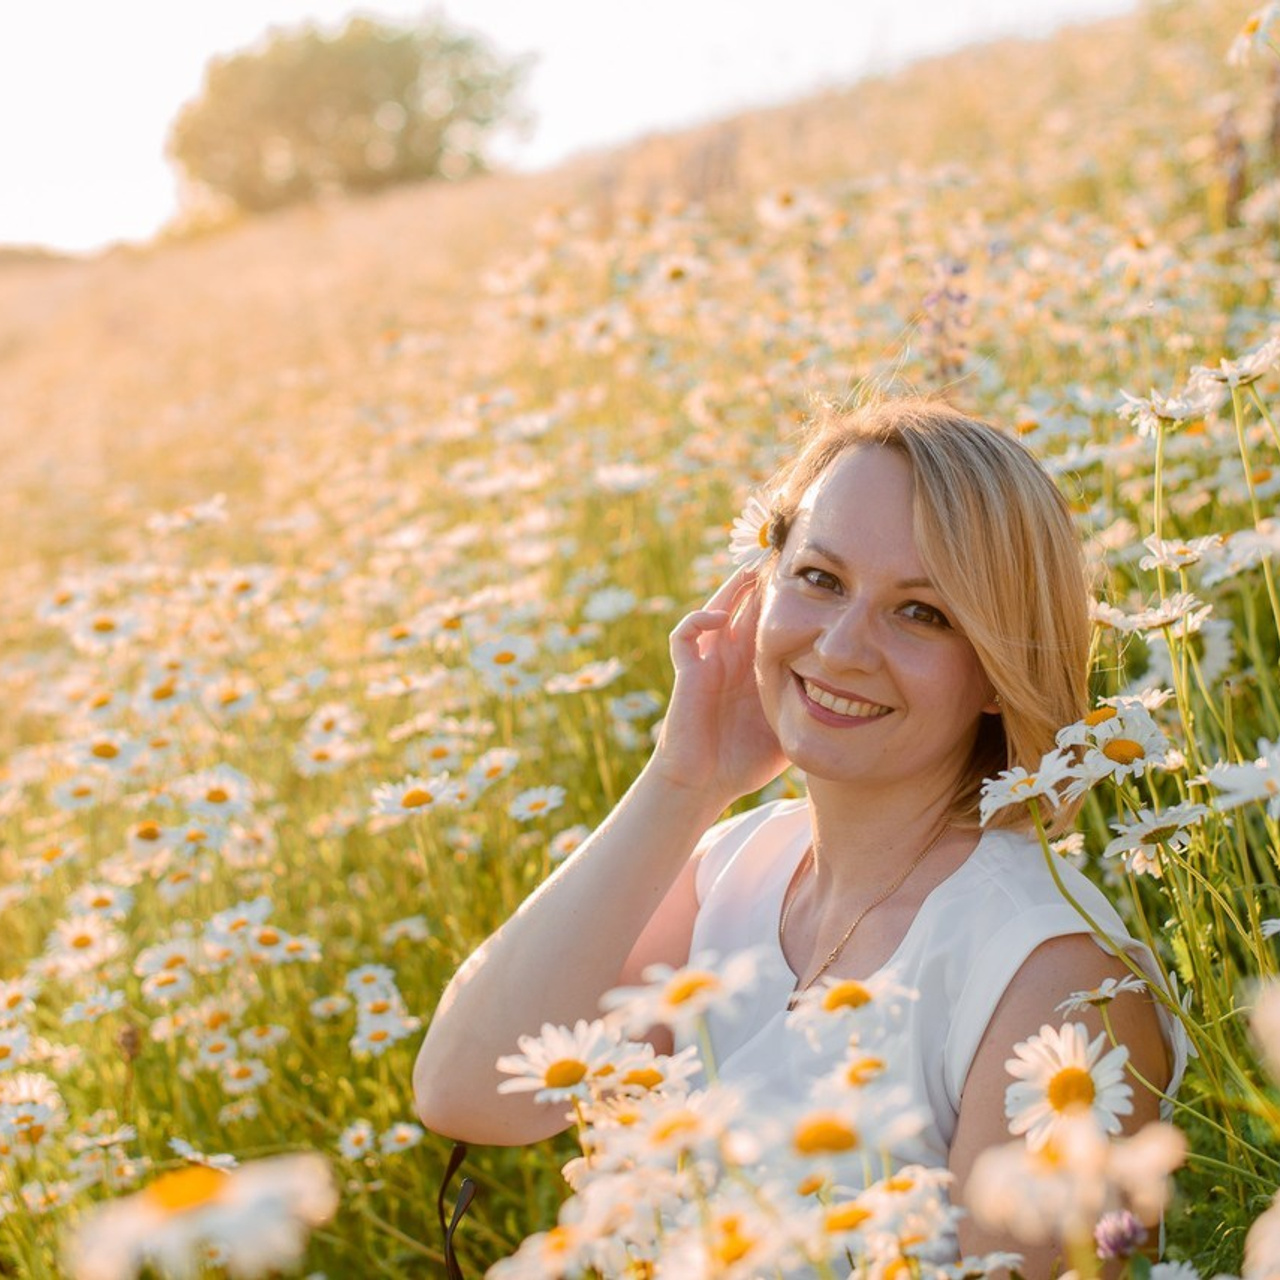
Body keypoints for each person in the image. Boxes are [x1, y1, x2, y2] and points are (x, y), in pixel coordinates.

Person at [414, 396, 1184, 1273]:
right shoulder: (736, 869)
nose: (844, 644)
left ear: (1002, 673)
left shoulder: (1055, 978)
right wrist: (683, 780)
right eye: (819, 578)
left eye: (922, 612)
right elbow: (470, 1094)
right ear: (757, 589)